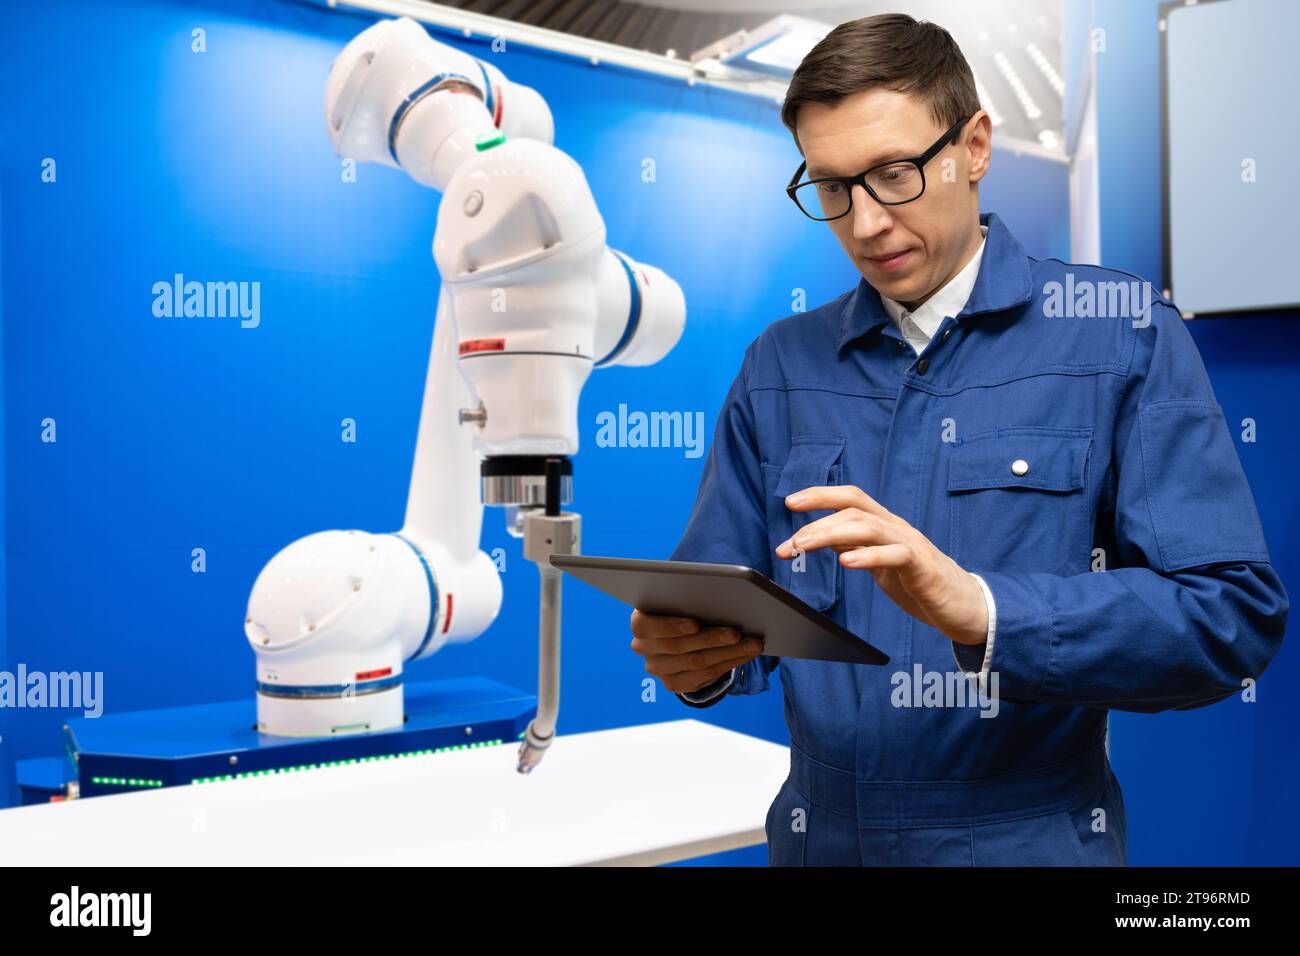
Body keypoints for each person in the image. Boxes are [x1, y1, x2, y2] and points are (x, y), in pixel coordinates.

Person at [628, 13, 1288, 866]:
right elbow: (730, 609)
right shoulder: (779, 366)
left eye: (894, 174)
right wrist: (696, 659)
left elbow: (1229, 620)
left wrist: (982, 607)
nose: (864, 224)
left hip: (1027, 841)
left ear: (974, 145)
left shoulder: (1119, 333)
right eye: (831, 188)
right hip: (820, 840)